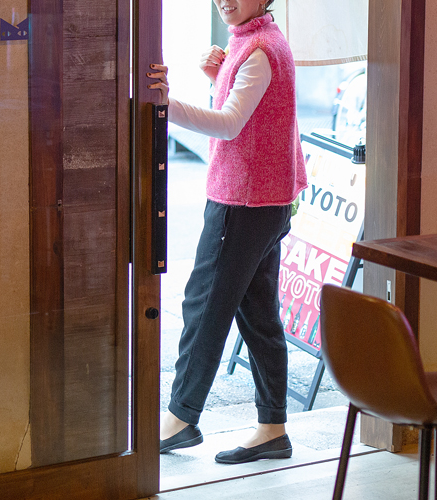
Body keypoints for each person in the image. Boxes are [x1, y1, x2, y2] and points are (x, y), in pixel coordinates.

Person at [147, 0, 307, 464]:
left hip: (244, 200)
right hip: (267, 200)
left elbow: (231, 124)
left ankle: (181, 417)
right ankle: (273, 428)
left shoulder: (259, 49)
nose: (225, 0)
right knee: (258, 313)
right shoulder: (260, 41)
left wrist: (165, 105)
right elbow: (255, 116)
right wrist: (216, 79)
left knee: (204, 305)